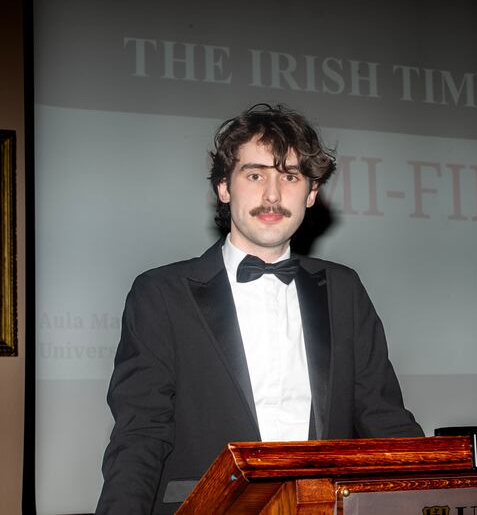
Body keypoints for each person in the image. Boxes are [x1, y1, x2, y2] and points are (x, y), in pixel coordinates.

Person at [96, 104, 423, 514]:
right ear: (224, 187)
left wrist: (434, 497)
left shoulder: (344, 289)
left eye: (290, 176)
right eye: (255, 175)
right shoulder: (160, 294)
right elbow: (140, 434)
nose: (272, 194)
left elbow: (386, 422)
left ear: (311, 193)